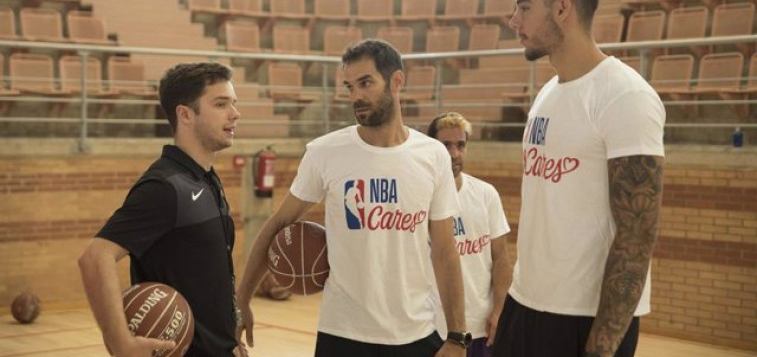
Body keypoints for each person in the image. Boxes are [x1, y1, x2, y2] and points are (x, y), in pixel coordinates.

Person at [236, 39, 470, 357]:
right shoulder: (325, 152)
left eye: (366, 83)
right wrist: (242, 301)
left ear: (396, 81)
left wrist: (457, 336)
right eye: (349, 87)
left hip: (415, 332)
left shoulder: (432, 156)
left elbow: (445, 251)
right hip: (342, 333)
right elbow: (279, 223)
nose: (356, 96)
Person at [491, 0, 666, 357]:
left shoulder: (625, 96)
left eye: (524, 7)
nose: (513, 21)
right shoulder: (548, 93)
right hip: (526, 303)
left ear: (562, 9)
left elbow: (637, 235)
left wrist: (601, 348)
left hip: (582, 321)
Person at [78, 62, 246, 357]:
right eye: (221, 104)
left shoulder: (207, 179)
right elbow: (95, 258)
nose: (235, 113)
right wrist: (119, 342)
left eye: (234, 103)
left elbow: (209, 277)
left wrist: (229, 336)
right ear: (185, 114)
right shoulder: (164, 187)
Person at [427, 112, 512, 357]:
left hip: (480, 327)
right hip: (433, 329)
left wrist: (498, 310)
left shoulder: (486, 194)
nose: (454, 154)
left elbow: (501, 259)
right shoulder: (420, 198)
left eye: (460, 145)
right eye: (446, 146)